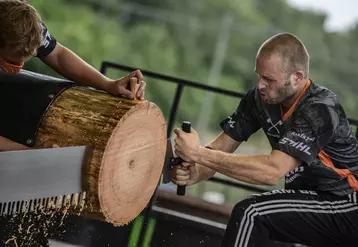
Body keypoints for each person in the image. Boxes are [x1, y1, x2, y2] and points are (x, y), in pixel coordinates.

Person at [172, 32, 358, 247]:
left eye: (269, 79)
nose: (260, 85)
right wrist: (194, 172)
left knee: (251, 213)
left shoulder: (320, 108)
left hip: (347, 203)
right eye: (259, 75)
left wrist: (198, 153)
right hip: (313, 201)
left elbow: (271, 171)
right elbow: (219, 148)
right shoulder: (259, 99)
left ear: (297, 77)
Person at [0, 0, 146, 151]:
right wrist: (28, 153)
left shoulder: (29, 28)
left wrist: (108, 84)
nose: (16, 69)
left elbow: (58, 55)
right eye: (10, 63)